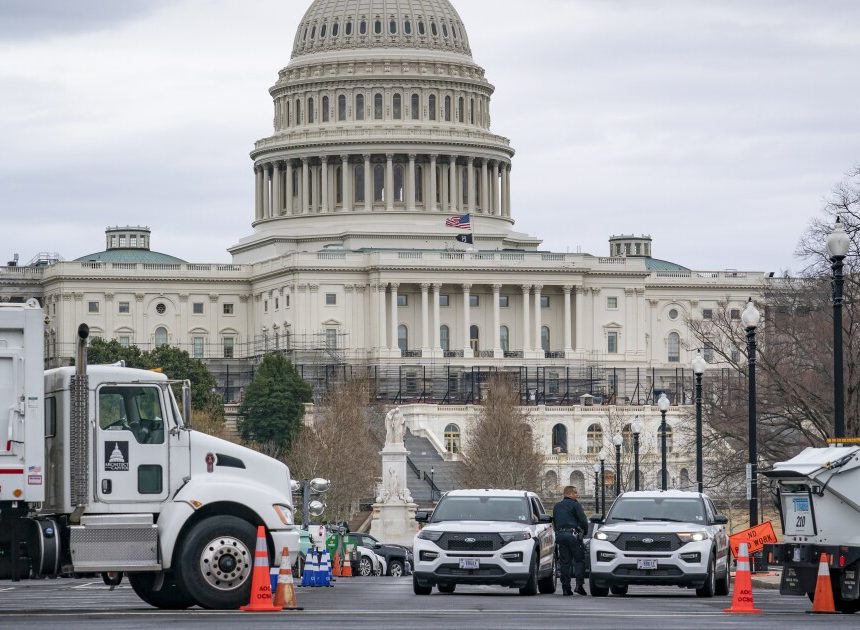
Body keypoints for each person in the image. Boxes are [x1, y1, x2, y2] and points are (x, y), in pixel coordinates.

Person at [553, 485, 589, 596]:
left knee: (565, 562)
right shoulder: (576, 505)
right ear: (570, 494)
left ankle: (565, 588)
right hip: (573, 536)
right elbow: (583, 521)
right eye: (575, 493)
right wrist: (585, 532)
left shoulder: (557, 506)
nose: (577, 495)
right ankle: (579, 585)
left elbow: (555, 522)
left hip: (561, 536)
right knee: (579, 560)